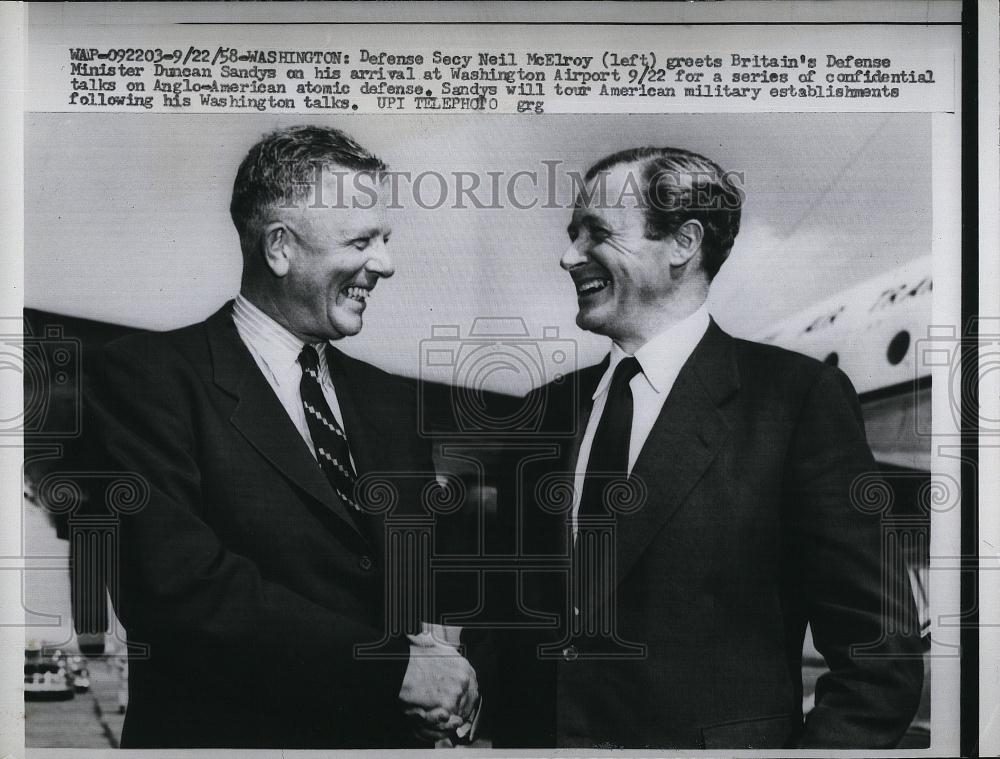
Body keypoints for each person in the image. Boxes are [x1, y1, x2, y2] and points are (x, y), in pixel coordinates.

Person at [492, 146, 924, 749]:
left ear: (683, 243)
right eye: (571, 234)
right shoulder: (541, 414)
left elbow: (879, 659)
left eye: (596, 233)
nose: (568, 256)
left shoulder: (796, 402)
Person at [86, 125, 479, 748]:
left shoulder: (389, 400)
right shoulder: (145, 379)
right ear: (279, 248)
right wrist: (393, 666)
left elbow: (413, 584)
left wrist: (446, 668)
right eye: (362, 240)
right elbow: (175, 589)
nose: (386, 264)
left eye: (387, 239)